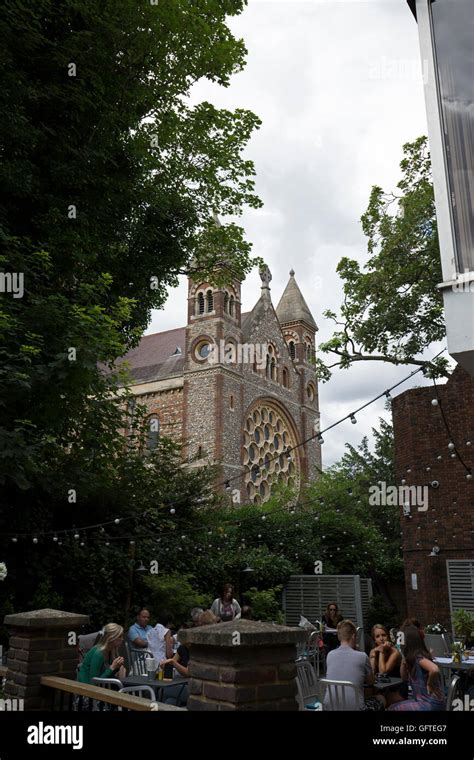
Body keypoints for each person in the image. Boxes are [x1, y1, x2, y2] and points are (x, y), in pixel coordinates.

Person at [159, 611, 218, 706]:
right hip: (190, 685)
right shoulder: (183, 648)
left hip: (202, 690)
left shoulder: (201, 647)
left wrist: (173, 663)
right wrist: (165, 665)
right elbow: (172, 661)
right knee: (170, 701)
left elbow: (189, 672)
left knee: (164, 691)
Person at [323, 620, 385, 711]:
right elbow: (371, 682)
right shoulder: (362, 656)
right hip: (355, 708)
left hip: (330, 707)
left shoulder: (330, 655)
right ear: (353, 636)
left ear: (339, 638)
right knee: (381, 698)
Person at [387, 625, 446, 711]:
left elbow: (434, 669)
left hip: (430, 704)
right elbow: (404, 678)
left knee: (392, 709)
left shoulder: (419, 658)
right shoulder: (412, 660)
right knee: (393, 707)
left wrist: (429, 683)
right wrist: (404, 661)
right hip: (423, 702)